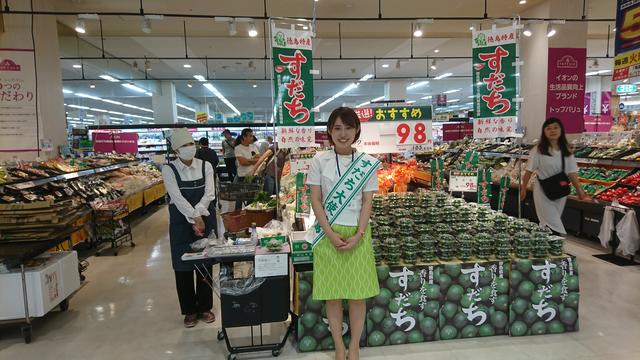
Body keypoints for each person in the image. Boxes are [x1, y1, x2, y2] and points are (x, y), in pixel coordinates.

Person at [306, 107, 381, 360]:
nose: (343, 133)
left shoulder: (367, 164)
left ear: (357, 130)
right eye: (337, 128)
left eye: (348, 128)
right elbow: (316, 201)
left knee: (358, 296)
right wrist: (329, 233)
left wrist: (359, 235)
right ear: (329, 131)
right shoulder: (319, 161)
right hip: (328, 235)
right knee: (334, 296)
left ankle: (355, 347)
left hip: (358, 235)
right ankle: (339, 346)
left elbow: (367, 202)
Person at [161, 128, 217, 328]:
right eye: (184, 145)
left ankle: (204, 307)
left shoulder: (206, 166)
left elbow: (210, 193)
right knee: (183, 266)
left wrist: (199, 214)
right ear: (176, 150)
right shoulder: (169, 169)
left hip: (205, 218)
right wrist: (195, 217)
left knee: (205, 264)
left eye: (191, 144)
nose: (189, 148)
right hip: (181, 223)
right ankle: (189, 310)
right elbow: (176, 197)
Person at [520, 117, 587, 235]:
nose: (552, 131)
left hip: (560, 191)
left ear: (561, 130)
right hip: (542, 190)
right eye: (548, 128)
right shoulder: (538, 150)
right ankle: (557, 242)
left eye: (556, 127)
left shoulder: (566, 150)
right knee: (552, 220)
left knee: (551, 218)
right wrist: (523, 188)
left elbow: (572, 173)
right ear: (544, 132)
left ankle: (544, 243)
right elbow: (529, 171)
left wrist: (579, 190)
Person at [233, 128, 261, 209]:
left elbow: (259, 159)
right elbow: (243, 163)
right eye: (250, 136)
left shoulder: (253, 146)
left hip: (254, 175)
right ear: (244, 137)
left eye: (252, 136)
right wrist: (253, 160)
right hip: (243, 177)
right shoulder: (238, 148)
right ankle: (237, 214)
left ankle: (249, 213)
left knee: (251, 197)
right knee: (240, 197)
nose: (252, 138)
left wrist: (248, 160)